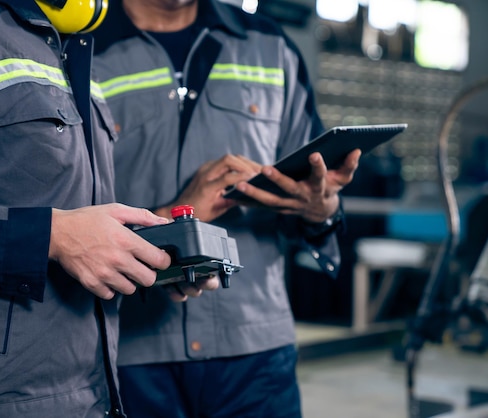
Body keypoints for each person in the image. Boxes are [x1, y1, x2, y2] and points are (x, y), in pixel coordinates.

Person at [0, 0, 218, 416]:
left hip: (92, 399)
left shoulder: (70, 47)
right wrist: (51, 237)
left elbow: (75, 225)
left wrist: (148, 259)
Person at [92, 0, 361, 417]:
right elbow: (66, 222)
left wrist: (320, 209)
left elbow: (310, 191)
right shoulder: (81, 48)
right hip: (127, 351)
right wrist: (176, 212)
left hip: (254, 354)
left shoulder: (271, 48)